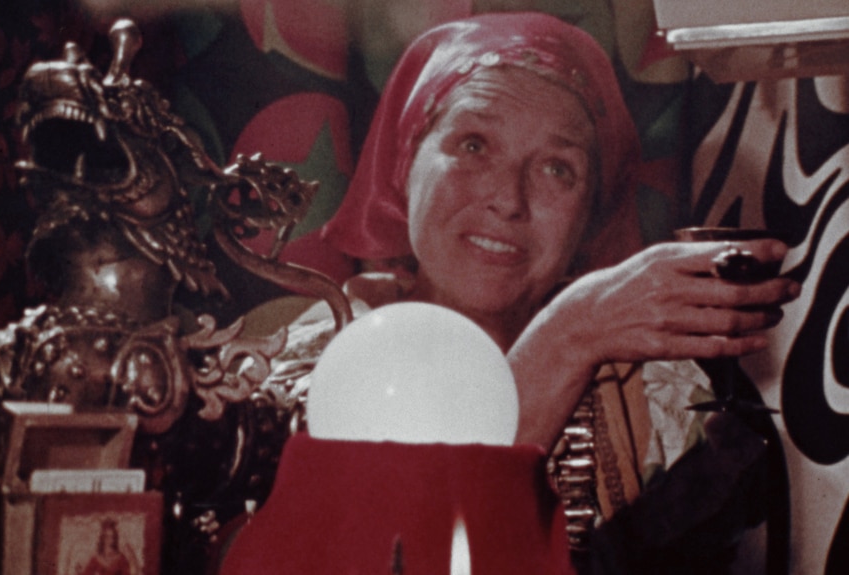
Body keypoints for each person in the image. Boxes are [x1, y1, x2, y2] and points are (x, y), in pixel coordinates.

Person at [230, 11, 800, 574]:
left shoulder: (664, 398)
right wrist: (566, 338)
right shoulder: (289, 378)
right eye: (474, 145)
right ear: (404, 162)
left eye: (557, 168)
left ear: (590, 215)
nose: (509, 200)